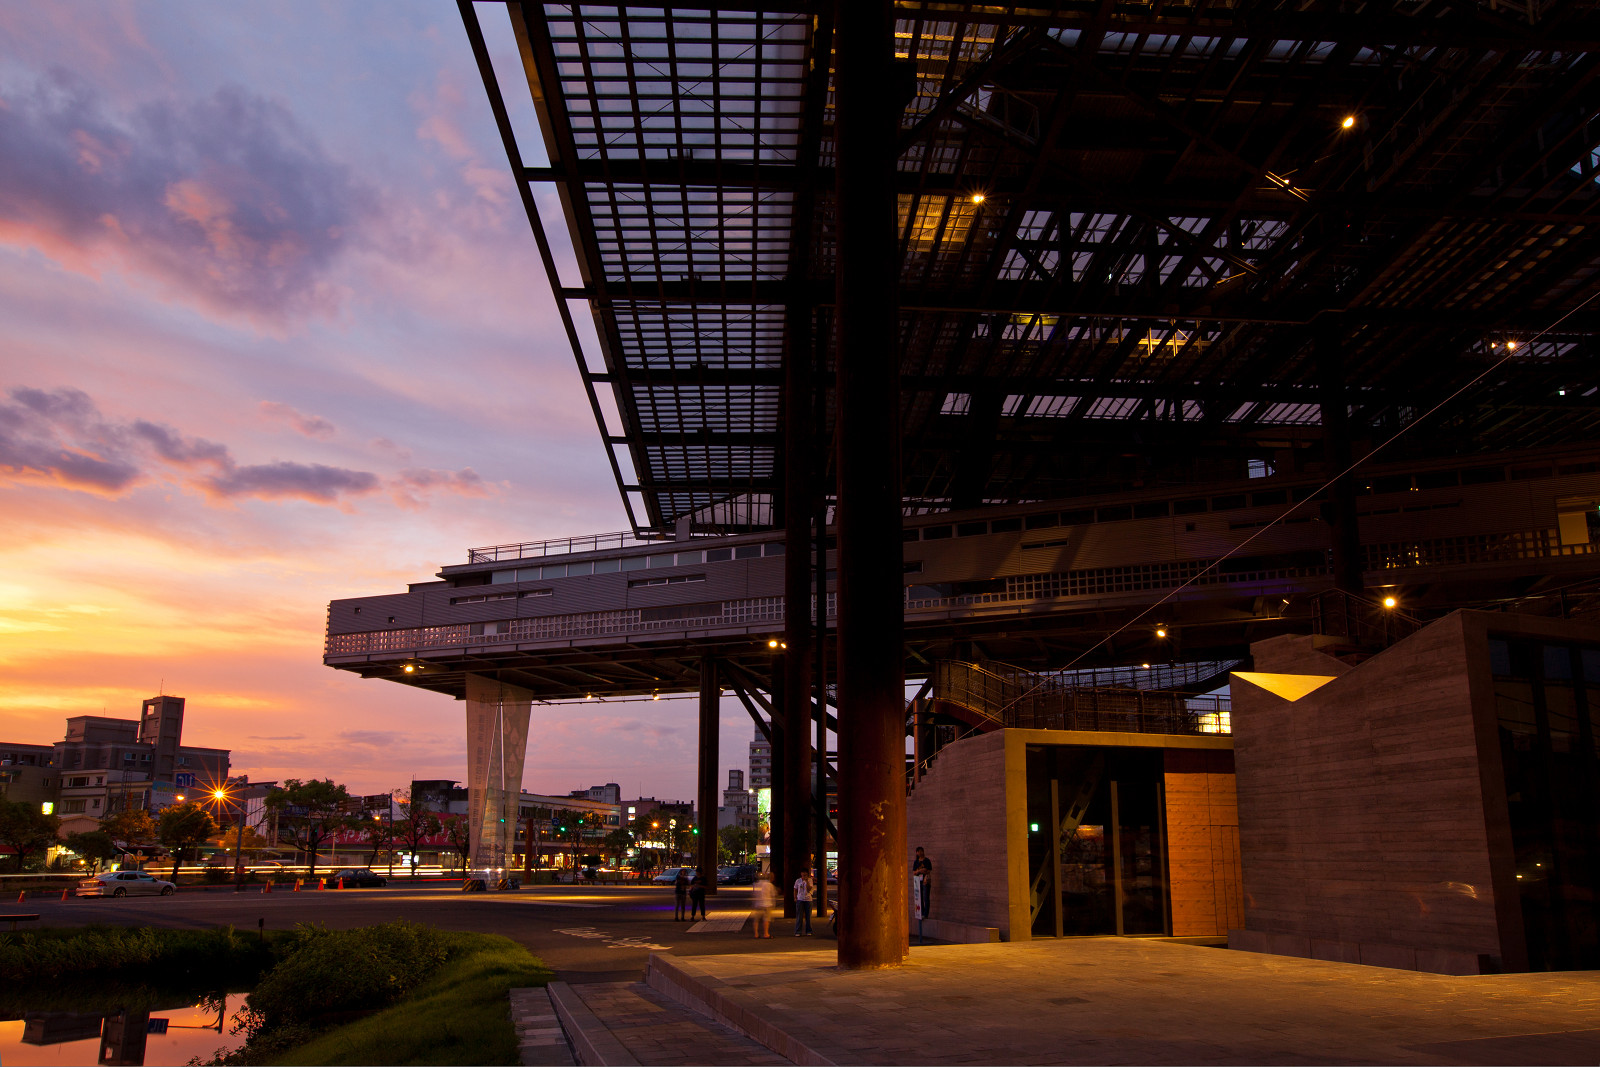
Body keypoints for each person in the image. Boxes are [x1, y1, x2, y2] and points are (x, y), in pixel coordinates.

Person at [750, 871, 776, 938]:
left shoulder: (756, 884)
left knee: (756, 920)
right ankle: (766, 934)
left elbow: (754, 894)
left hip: (758, 904)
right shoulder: (769, 885)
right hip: (767, 904)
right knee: (766, 919)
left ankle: (756, 934)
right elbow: (773, 894)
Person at [912, 846, 933, 919]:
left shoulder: (927, 860)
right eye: (919, 851)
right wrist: (920, 871)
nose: (920, 852)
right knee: (919, 897)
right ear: (916, 853)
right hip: (918, 882)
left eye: (921, 851)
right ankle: (921, 913)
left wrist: (923, 871)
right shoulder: (916, 862)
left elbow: (928, 870)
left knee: (926, 897)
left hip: (925, 881)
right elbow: (914, 872)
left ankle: (925, 914)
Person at [793, 867, 814, 936]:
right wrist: (795, 897)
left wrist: (807, 881)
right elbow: (795, 889)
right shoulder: (798, 881)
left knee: (808, 916)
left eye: (805, 874)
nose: (804, 876)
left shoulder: (810, 880)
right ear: (801, 874)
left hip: (808, 899)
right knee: (799, 916)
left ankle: (809, 931)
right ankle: (798, 931)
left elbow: (809, 889)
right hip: (800, 899)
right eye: (803, 874)